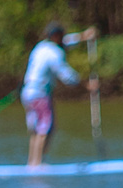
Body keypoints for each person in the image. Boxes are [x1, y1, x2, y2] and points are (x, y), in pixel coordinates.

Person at [23, 22, 100, 167]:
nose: (63, 38)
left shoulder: (41, 47)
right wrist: (87, 86)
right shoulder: (54, 53)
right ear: (56, 36)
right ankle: (37, 164)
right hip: (40, 93)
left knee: (36, 129)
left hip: (28, 93)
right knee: (45, 128)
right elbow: (67, 76)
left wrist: (83, 36)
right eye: (61, 36)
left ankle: (32, 163)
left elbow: (66, 42)